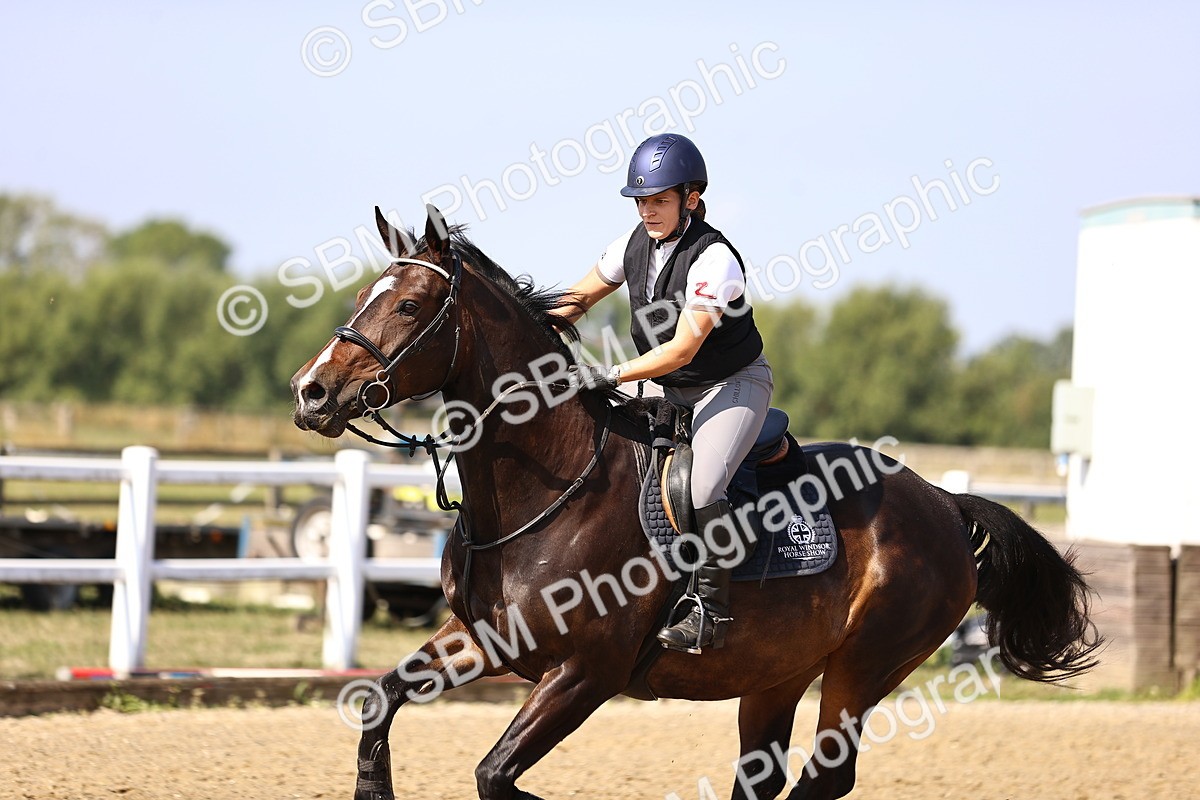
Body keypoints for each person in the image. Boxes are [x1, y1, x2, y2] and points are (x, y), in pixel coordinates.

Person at [557, 133, 774, 654]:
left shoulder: (714, 258)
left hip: (729, 384)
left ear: (691, 198)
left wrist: (610, 374)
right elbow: (577, 298)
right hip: (667, 384)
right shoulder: (629, 246)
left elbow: (682, 350)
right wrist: (526, 333)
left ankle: (709, 612)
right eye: (641, 201)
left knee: (700, 489)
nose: (647, 211)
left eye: (659, 200)